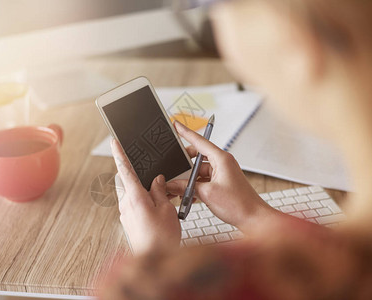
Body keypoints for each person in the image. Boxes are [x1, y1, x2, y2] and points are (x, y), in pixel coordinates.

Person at [100, 0, 372, 299]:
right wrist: (253, 214)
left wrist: (157, 265)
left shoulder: (207, 285)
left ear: (293, 44)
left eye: (206, 6)